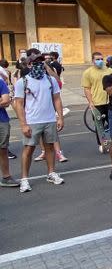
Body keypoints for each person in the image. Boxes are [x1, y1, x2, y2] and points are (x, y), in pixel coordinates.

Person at [12, 49, 65, 193]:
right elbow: (19, 104)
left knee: (49, 148)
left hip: (49, 119)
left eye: (41, 62)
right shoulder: (23, 82)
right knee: (28, 150)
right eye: (35, 62)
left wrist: (60, 117)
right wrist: (23, 124)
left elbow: (56, 99)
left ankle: (51, 173)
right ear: (29, 64)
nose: (39, 64)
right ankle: (24, 179)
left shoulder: (50, 80)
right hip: (32, 121)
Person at [82, 51, 112, 153]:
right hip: (97, 103)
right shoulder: (87, 72)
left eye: (101, 59)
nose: (100, 61)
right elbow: (87, 89)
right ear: (93, 60)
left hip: (110, 102)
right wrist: (90, 102)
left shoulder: (109, 70)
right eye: (97, 59)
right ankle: (102, 144)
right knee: (99, 126)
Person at [0, 75, 19, 187]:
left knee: (3, 150)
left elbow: (6, 101)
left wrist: (3, 100)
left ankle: (6, 177)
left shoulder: (0, 82)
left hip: (2, 121)